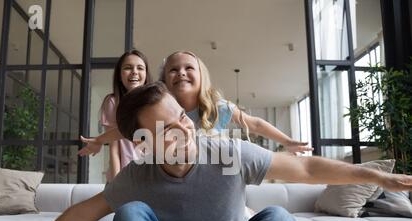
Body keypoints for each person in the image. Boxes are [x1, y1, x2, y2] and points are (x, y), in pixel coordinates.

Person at [0, 82, 412, 221]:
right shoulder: (138, 176)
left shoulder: (230, 153)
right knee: (128, 214)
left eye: (181, 116)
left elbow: (303, 166)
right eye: (165, 128)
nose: (183, 128)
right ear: (143, 142)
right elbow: (86, 211)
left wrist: (374, 177)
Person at [78, 51, 313, 159]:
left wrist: (287, 141)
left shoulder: (217, 108)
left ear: (201, 75)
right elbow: (123, 130)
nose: (181, 73)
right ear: (164, 80)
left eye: (188, 68)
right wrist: (98, 141)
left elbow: (256, 124)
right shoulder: (159, 108)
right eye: (173, 69)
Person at [83, 49, 152, 181]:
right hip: (123, 175)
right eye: (128, 68)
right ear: (120, 75)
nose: (134, 72)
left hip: (149, 176)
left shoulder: (154, 104)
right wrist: (116, 184)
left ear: (146, 74)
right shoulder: (113, 102)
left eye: (140, 68)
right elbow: (114, 149)